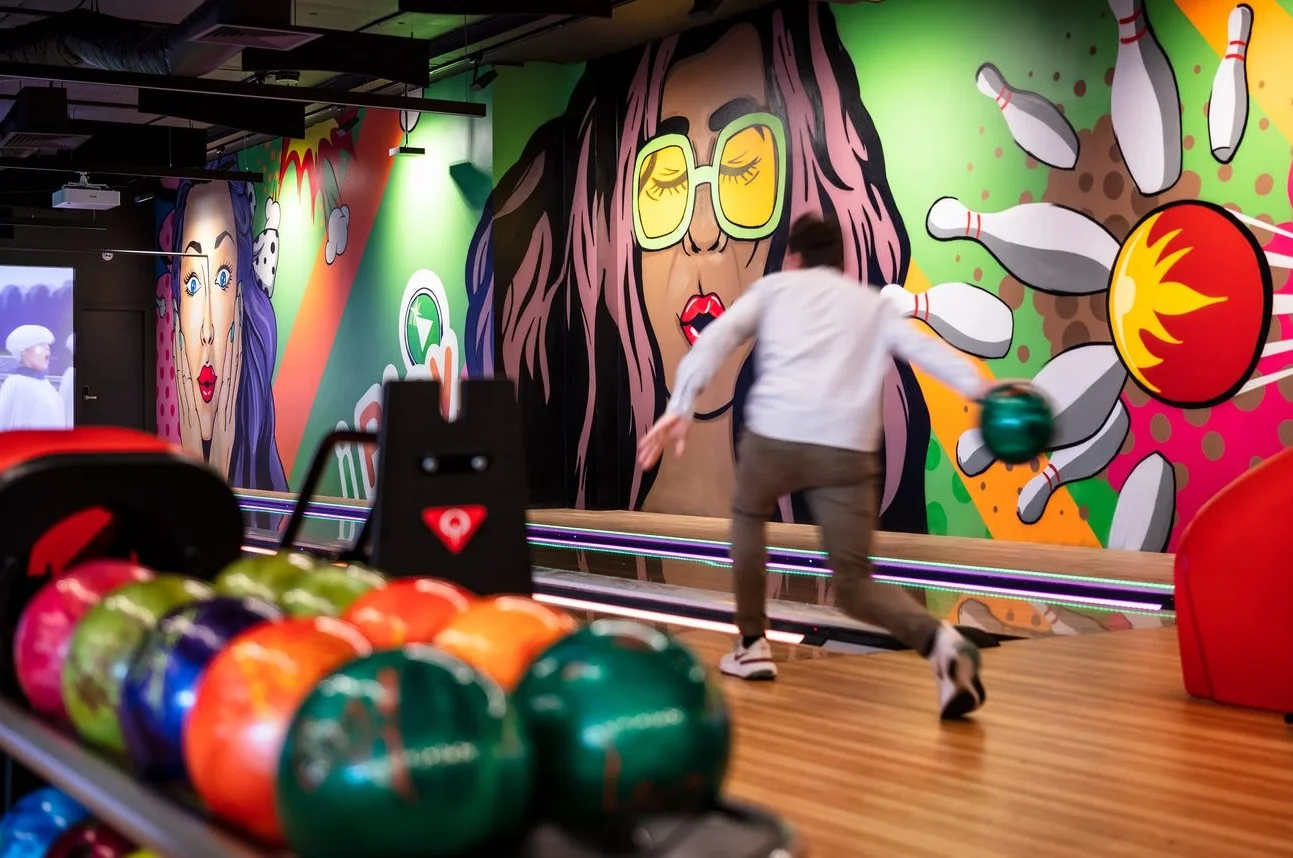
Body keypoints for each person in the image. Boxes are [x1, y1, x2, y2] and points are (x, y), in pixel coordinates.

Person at [637, 214, 994, 720]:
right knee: (853, 583)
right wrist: (986, 392)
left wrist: (680, 405)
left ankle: (752, 644)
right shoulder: (868, 304)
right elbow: (925, 352)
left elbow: (715, 340)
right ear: (840, 261)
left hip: (777, 439)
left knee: (747, 519)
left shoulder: (775, 289)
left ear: (795, 256)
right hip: (847, 453)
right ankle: (942, 645)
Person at [0, 324, 67, 431]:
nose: (47, 349)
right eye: (40, 345)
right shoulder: (14, 383)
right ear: (23, 351)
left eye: (47, 345)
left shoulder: (48, 387)